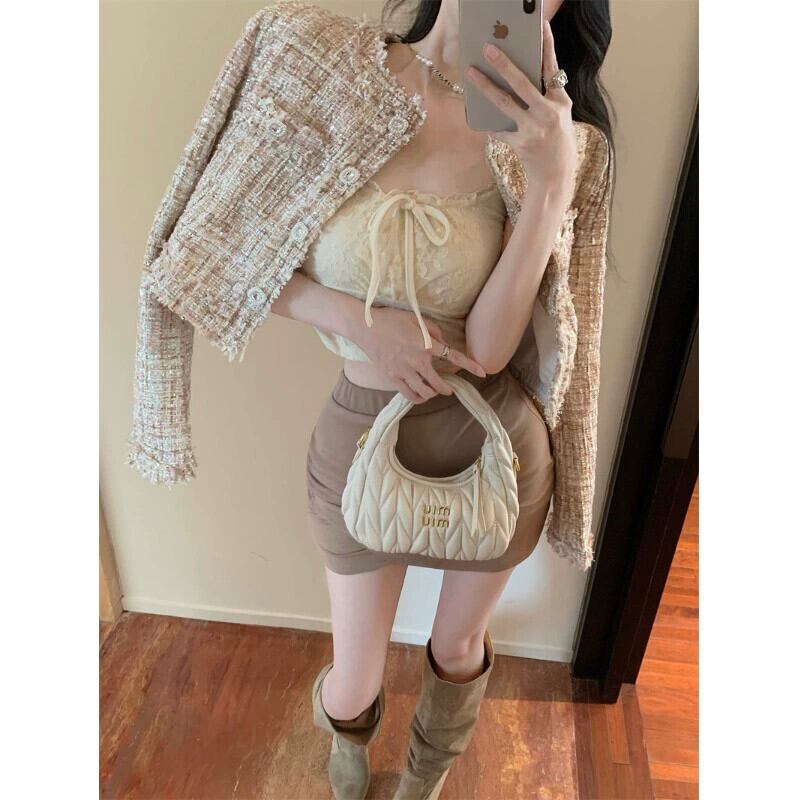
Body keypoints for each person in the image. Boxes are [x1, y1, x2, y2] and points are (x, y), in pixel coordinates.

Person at [263, 1, 614, 797]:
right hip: (360, 431)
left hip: (493, 445)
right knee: (352, 679)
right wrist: (362, 323)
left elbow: (488, 350)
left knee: (457, 650)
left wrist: (550, 182)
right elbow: (235, 263)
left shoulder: (560, 144)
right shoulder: (332, 76)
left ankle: (425, 779)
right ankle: (348, 755)